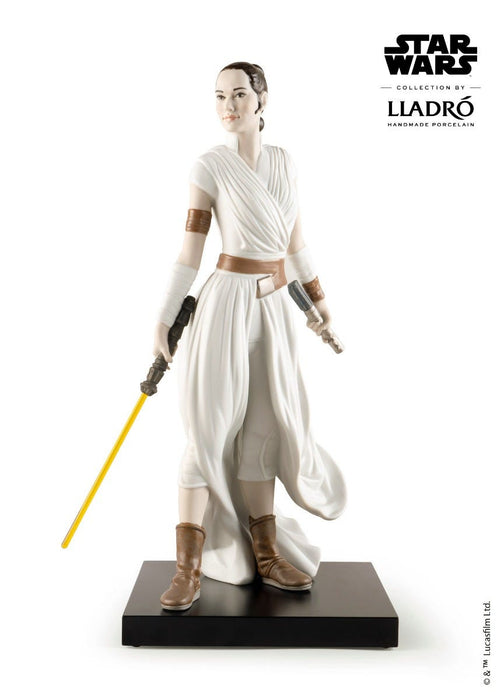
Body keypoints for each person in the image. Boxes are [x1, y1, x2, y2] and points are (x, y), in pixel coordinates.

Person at [153, 62, 346, 611]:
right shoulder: (209, 166)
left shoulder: (285, 162)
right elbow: (190, 251)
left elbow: (296, 243)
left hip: (276, 308)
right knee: (208, 428)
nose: (228, 106)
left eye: (238, 94)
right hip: (226, 304)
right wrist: (164, 318)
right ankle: (188, 569)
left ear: (261, 100)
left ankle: (267, 554)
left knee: (266, 427)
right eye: (219, 96)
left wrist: (321, 303)